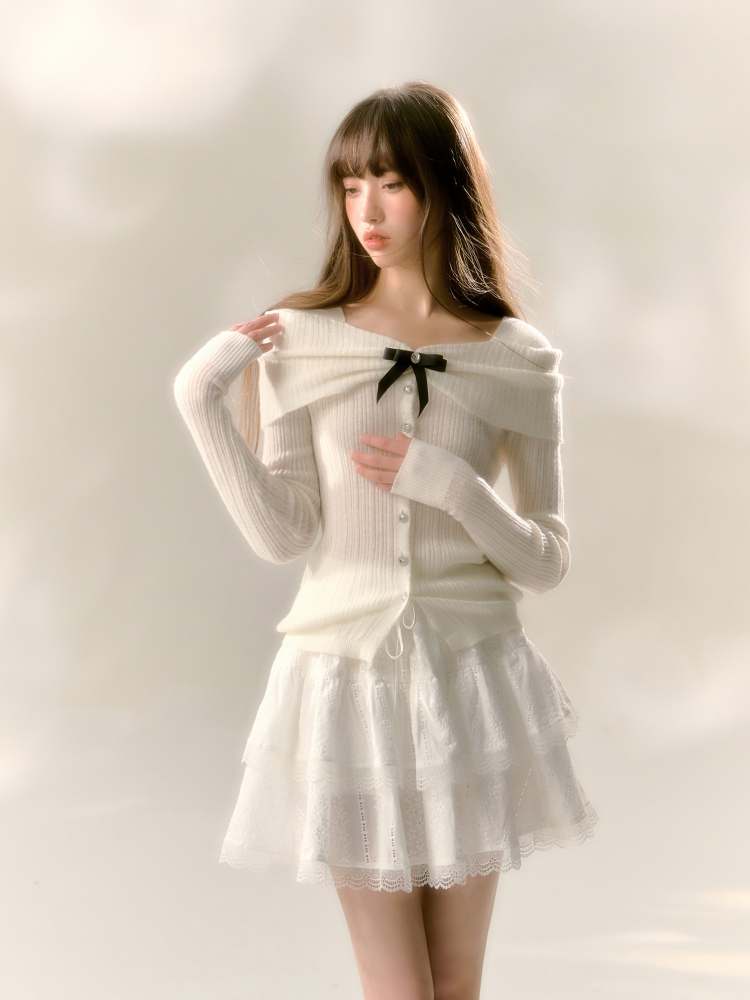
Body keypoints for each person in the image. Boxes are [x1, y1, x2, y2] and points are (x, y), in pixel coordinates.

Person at [172, 80, 598, 1000]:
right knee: (399, 987)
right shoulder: (301, 342)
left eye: (393, 183)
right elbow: (283, 533)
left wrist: (455, 488)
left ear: (445, 186)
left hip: (474, 683)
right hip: (346, 685)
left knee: (457, 984)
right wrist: (200, 401)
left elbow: (547, 559)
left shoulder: (516, 357)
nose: (366, 211)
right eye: (351, 184)